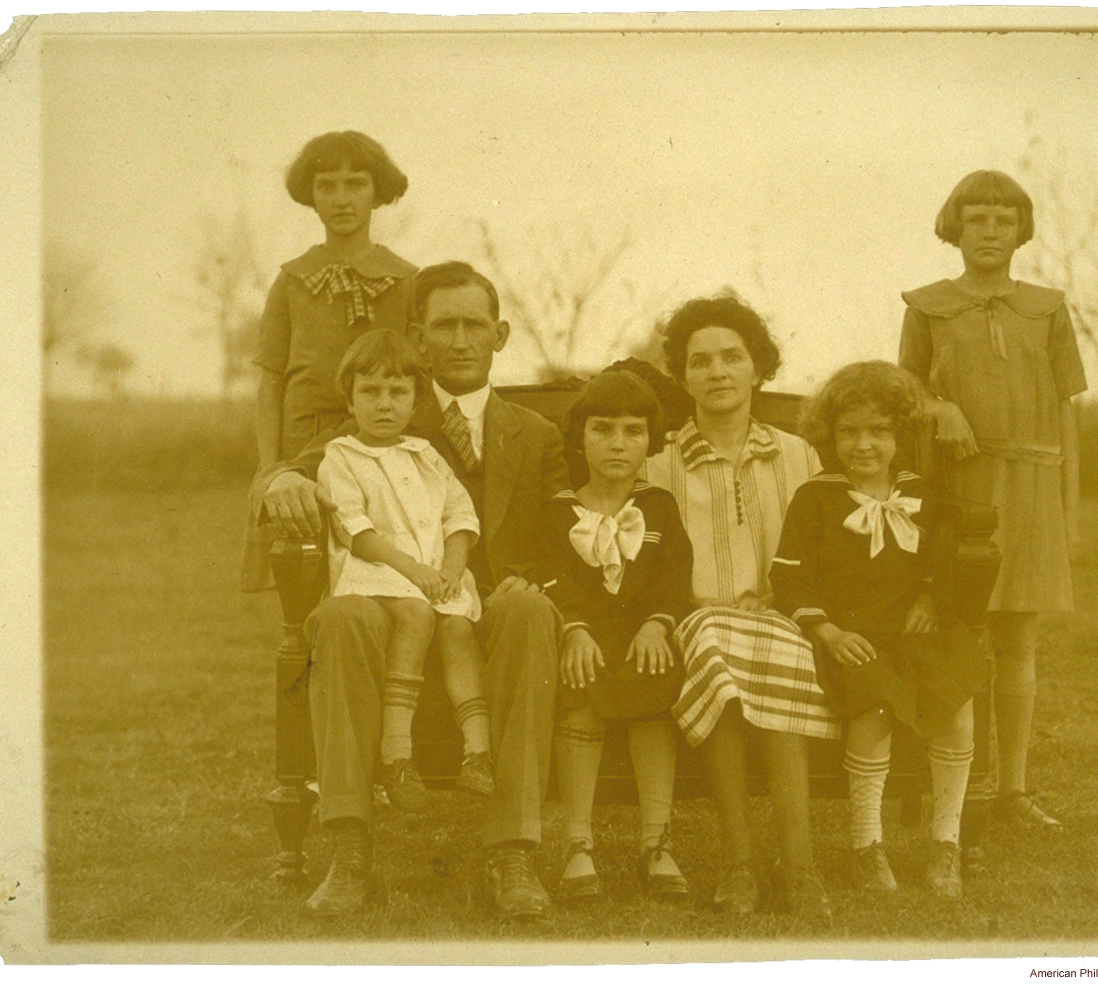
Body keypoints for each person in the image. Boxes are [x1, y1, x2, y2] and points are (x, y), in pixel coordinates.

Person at [255, 261, 568, 919]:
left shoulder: (536, 435)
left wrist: (530, 574)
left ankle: (511, 851)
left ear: (500, 334)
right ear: (419, 338)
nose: (459, 340)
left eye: (473, 325)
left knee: (530, 608)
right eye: (443, 326)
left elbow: (561, 531)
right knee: (339, 617)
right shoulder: (381, 406)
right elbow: (292, 467)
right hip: (388, 598)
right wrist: (281, 480)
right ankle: (348, 849)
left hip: (487, 605)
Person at [899, 170, 1087, 833]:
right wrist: (939, 404)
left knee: (1018, 635)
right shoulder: (927, 306)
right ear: (953, 225)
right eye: (974, 217)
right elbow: (905, 392)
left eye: (1001, 219)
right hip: (959, 483)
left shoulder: (1047, 307)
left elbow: (1065, 409)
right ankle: (948, 783)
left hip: (1031, 486)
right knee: (955, 628)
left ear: (1020, 230)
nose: (987, 230)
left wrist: (1068, 507)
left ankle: (1012, 789)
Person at [643, 294, 837, 918]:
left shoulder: (798, 455)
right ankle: (738, 863)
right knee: (721, 651)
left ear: (759, 368)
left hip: (783, 618)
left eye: (733, 357)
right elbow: (657, 565)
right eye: (700, 362)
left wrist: (788, 610)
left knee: (770, 651)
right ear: (683, 375)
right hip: (696, 622)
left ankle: (800, 867)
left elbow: (817, 554)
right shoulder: (660, 462)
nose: (718, 372)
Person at [772, 361, 990, 898]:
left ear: (901, 435)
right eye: (849, 432)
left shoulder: (921, 490)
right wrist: (828, 634)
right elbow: (790, 581)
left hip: (917, 631)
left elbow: (942, 556)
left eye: (879, 432)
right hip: (853, 636)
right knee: (872, 705)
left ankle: (947, 843)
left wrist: (929, 596)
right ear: (829, 435)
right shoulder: (815, 498)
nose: (863, 445)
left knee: (958, 700)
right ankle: (866, 845)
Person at [316, 330, 491, 812]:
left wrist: (452, 570)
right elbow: (357, 530)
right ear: (349, 400)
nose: (384, 404)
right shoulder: (342, 457)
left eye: (398, 393)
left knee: (458, 627)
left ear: (416, 403)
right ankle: (397, 754)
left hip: (436, 575)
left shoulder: (425, 454)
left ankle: (478, 752)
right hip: (378, 572)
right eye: (370, 392)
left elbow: (459, 515)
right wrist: (414, 571)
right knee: (416, 615)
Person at [536, 371, 694, 904]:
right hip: (587, 636)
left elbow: (675, 576)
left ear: (651, 440)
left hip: (643, 634)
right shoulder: (558, 509)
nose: (618, 444)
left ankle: (656, 841)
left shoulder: (660, 507)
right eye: (603, 430)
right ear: (580, 437)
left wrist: (658, 623)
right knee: (579, 683)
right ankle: (578, 842)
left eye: (633, 431)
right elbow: (552, 576)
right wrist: (574, 629)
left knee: (656, 681)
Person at [243, 131, 417, 592]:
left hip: (380, 445)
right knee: (307, 585)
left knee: (385, 576)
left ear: (377, 192)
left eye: (356, 183)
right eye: (327, 186)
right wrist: (272, 469)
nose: (342, 199)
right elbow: (270, 384)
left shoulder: (407, 281)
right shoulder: (291, 282)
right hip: (305, 451)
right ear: (311, 196)